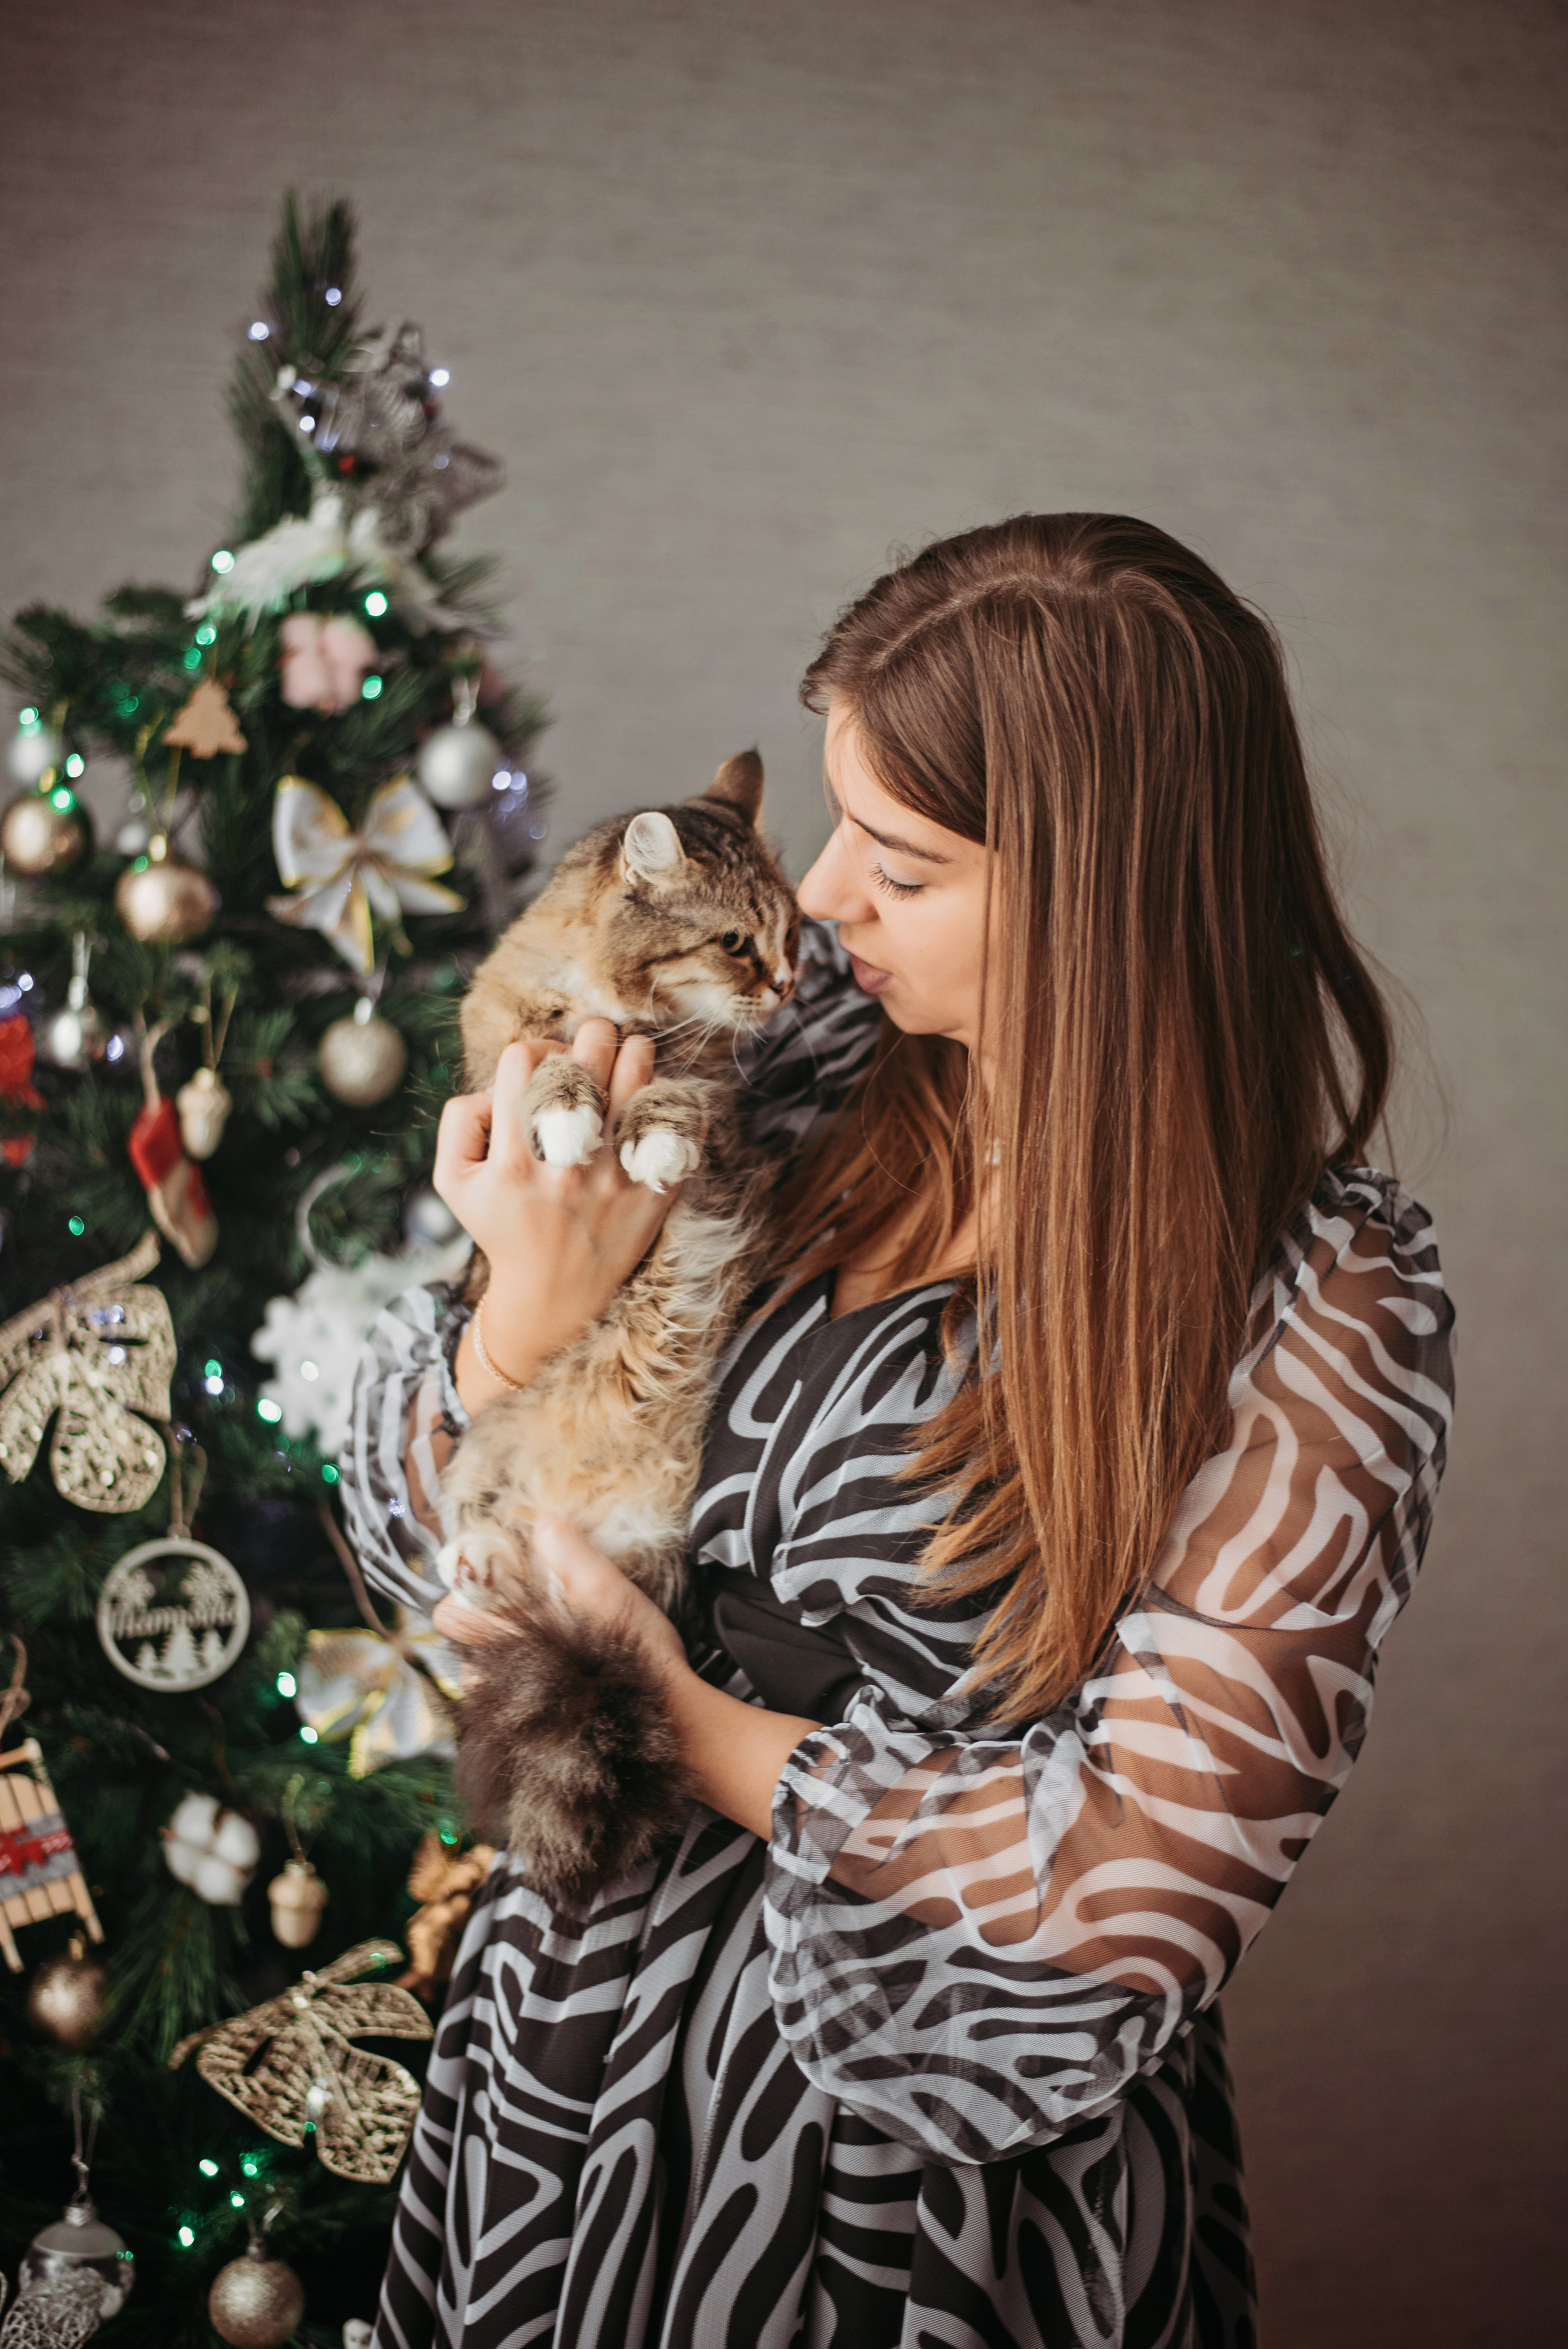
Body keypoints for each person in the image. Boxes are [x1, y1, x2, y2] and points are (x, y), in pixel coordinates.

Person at [345, 514, 1454, 2349]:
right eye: (842, 820)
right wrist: (511, 1334)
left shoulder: (1325, 1306)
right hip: (549, 2096)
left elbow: (1128, 1887)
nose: (829, 897)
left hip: (927, 2185)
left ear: (1099, 897)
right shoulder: (775, 1084)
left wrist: (688, 1727)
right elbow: (395, 1557)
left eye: (911, 862)